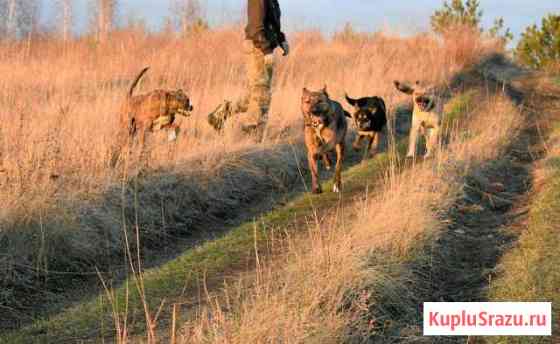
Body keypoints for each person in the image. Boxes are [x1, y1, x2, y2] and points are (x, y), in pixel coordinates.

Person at [207, 0, 289, 141]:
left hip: (263, 46)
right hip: (257, 48)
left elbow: (270, 22)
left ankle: (221, 114)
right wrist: (266, 50)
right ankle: (251, 137)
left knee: (255, 94)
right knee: (261, 93)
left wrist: (281, 39)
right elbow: (255, 28)